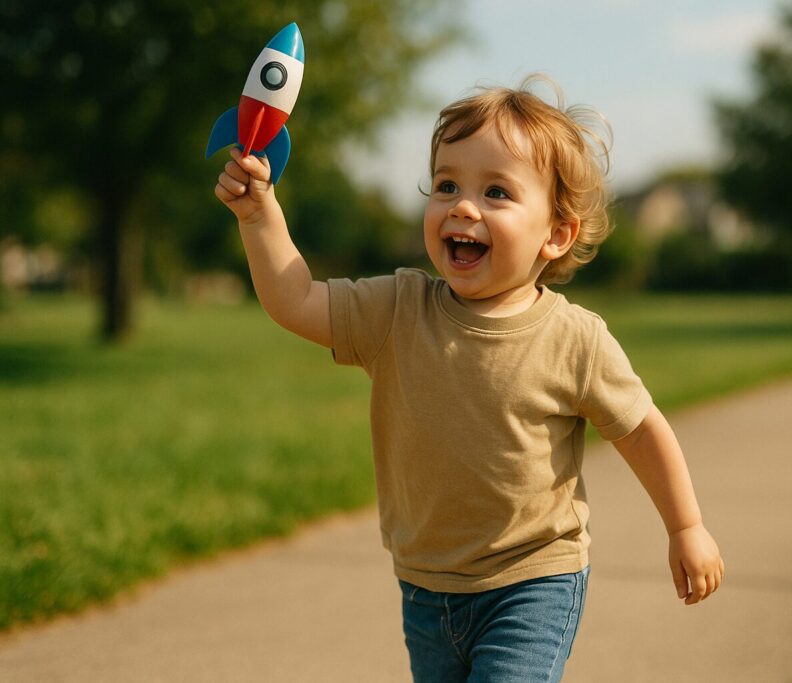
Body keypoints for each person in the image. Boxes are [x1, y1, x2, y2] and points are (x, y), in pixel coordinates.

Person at [214, 74, 724, 683]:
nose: (461, 205)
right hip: (426, 584)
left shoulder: (575, 339)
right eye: (447, 184)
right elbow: (293, 300)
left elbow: (642, 431)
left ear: (555, 235)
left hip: (533, 579)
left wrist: (685, 526)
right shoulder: (397, 311)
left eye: (497, 193)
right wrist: (258, 215)